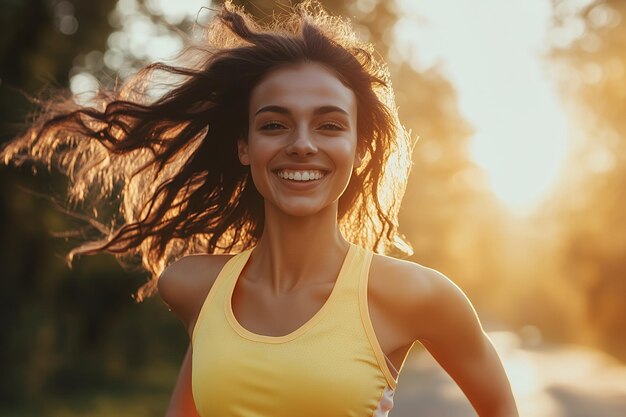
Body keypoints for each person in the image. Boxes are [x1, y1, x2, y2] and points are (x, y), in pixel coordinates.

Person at [1, 1, 518, 416]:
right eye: (274, 124)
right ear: (245, 147)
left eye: (330, 125)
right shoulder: (193, 288)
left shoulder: (415, 294)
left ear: (359, 150)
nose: (301, 144)